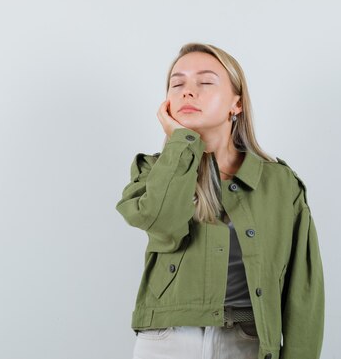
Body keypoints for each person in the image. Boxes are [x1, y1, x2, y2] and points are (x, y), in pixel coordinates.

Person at [115, 43, 324, 359]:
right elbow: (163, 224)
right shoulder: (153, 170)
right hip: (166, 339)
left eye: (205, 82)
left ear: (236, 104)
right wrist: (182, 143)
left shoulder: (279, 183)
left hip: (247, 342)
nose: (188, 92)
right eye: (178, 83)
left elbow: (303, 287)